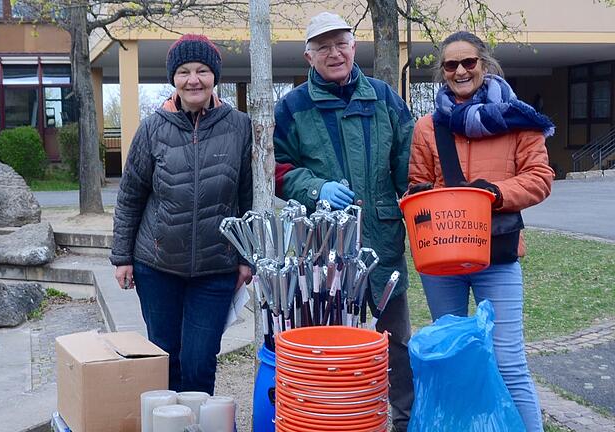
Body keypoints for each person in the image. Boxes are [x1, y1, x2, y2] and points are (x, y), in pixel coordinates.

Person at [274, 12, 415, 431]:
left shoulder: (385, 98)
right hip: (323, 248)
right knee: (330, 343)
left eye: (341, 44)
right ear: (308, 55)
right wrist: (315, 189)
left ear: (355, 47)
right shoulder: (293, 107)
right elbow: (278, 169)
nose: (334, 53)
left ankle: (403, 418)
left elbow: (410, 165)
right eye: (323, 47)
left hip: (383, 242)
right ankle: (333, 419)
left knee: (397, 341)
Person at [407, 31, 555, 432]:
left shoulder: (517, 118)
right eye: (451, 65)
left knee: (509, 361)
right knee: (452, 355)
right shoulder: (428, 127)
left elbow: (540, 177)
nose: (460, 71)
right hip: (441, 257)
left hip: (498, 254)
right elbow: (418, 183)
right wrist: (423, 196)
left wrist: (496, 192)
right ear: (442, 72)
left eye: (468, 63)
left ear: (484, 65)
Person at [110, 34, 253, 395]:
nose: (194, 80)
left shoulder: (239, 127)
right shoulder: (153, 128)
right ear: (173, 78)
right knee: (165, 358)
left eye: (202, 70)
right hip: (156, 267)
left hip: (216, 268)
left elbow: (250, 198)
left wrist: (247, 257)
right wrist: (122, 257)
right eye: (185, 71)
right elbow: (130, 195)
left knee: (200, 362)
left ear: (214, 76)